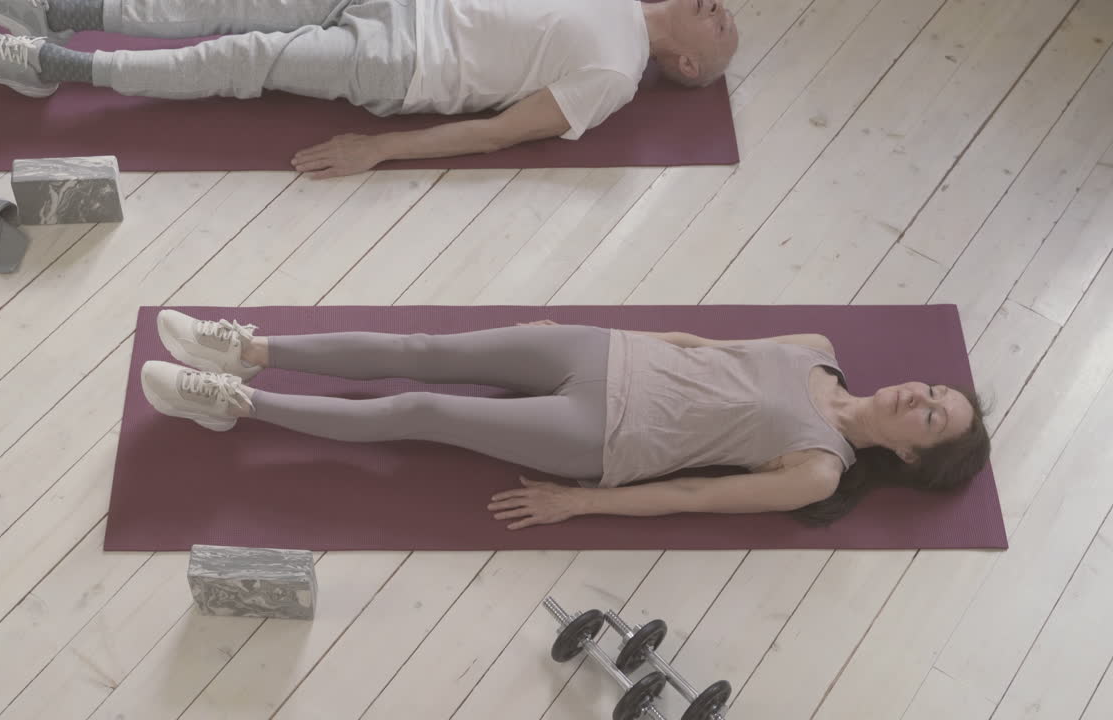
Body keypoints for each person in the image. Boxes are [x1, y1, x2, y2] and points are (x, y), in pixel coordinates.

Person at [140, 310, 992, 530]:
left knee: (420, 409)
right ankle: (248, 349)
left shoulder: (818, 467)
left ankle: (233, 403)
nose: (917, 396)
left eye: (930, 416)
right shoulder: (817, 348)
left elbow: (694, 497)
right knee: (422, 350)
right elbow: (702, 345)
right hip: (600, 351)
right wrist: (588, 332)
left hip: (604, 435)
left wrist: (581, 503)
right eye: (932, 390)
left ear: (911, 458)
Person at [0, 0, 739, 177]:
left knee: (240, 58)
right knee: (218, 2)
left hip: (405, 60)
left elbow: (502, 131)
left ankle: (47, 66)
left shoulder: (615, 75)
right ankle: (53, 12)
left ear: (689, 67)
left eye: (726, 28)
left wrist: (381, 148)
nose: (723, 11)